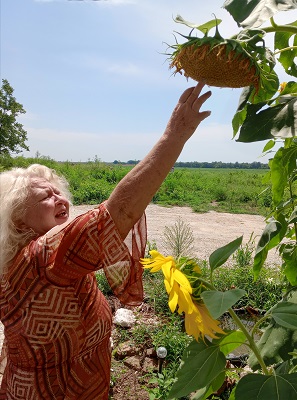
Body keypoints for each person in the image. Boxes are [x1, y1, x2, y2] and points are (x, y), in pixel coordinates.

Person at [0, 81, 211, 399]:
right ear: (17, 219)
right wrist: (174, 135)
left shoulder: (13, 262)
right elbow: (118, 214)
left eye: (59, 191)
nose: (60, 199)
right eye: (46, 195)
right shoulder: (41, 258)